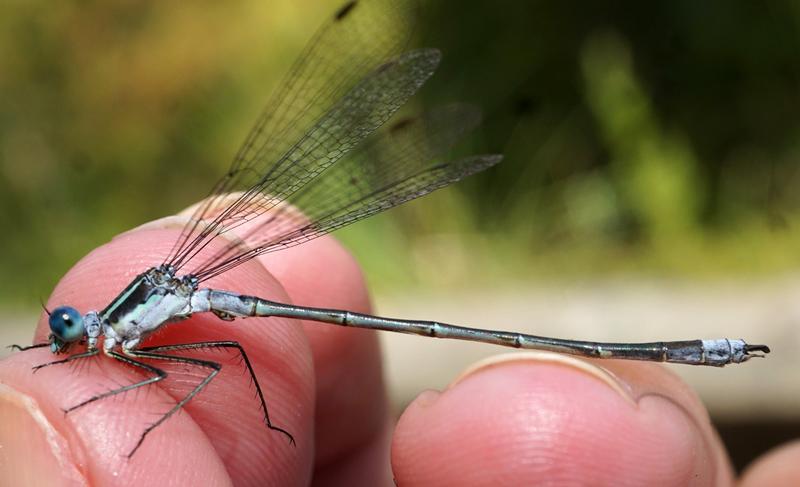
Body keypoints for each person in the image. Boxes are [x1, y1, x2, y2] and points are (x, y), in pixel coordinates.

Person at [0, 211, 797, 486]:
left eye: (70, 333)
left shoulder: (134, 321)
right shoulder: (116, 325)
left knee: (230, 359)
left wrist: (123, 421)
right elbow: (207, 365)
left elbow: (213, 365)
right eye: (68, 333)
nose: (73, 339)